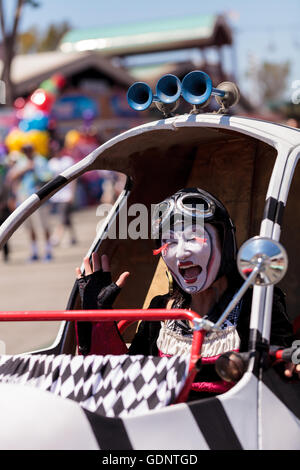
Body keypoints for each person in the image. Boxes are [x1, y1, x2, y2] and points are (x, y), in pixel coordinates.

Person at [75, 188, 298, 397]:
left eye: (193, 238)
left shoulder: (256, 302)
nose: (181, 253)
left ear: (225, 242)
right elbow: (125, 381)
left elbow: (284, 360)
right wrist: (98, 319)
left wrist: (289, 361)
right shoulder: (160, 310)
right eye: (169, 242)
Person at [7, 143, 53, 261]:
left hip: (40, 197)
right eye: (25, 150)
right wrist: (25, 168)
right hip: (24, 197)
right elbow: (12, 176)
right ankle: (34, 251)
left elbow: (49, 176)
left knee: (43, 225)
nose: (27, 152)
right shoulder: (22, 162)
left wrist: (36, 171)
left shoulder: (40, 160)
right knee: (29, 226)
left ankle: (48, 250)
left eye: (28, 150)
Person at [48, 145, 77, 246]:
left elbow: (74, 178)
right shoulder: (51, 163)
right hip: (57, 196)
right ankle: (73, 237)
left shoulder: (67, 161)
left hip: (66, 194)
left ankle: (56, 237)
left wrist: (72, 194)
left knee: (62, 216)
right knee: (66, 216)